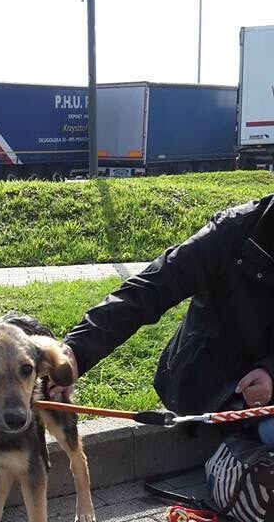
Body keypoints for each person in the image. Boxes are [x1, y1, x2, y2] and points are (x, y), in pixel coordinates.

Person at [56, 193, 274, 451]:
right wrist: (77, 351)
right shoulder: (234, 230)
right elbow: (150, 288)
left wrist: (270, 371)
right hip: (214, 383)